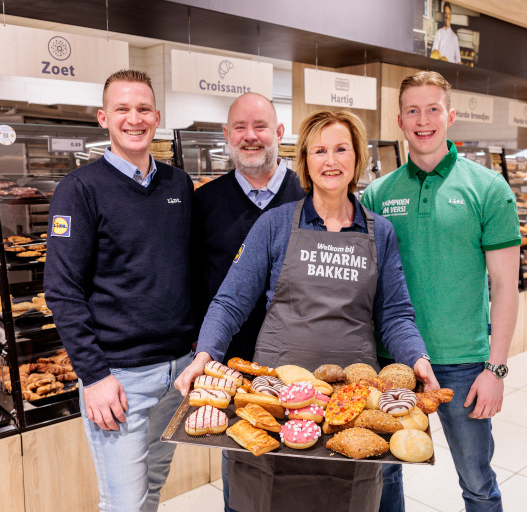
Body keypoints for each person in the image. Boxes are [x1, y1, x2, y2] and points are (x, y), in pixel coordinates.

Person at [176, 109, 438, 512]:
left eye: (340, 149)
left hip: (349, 406)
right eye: (319, 150)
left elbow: (395, 314)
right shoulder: (275, 224)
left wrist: (417, 359)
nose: (330, 161)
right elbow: (230, 301)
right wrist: (204, 356)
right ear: (305, 160)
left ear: (356, 159)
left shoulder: (380, 232)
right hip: (273, 398)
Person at [361, 70, 520, 512]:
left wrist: (497, 370)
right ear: (399, 120)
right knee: (384, 473)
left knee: (477, 481)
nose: (423, 119)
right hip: (392, 361)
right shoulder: (377, 194)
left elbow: (506, 285)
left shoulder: (488, 189)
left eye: (433, 109)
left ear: (450, 116)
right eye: (413, 110)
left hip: (463, 365)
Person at [45, 69, 195, 512]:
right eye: (123, 110)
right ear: (103, 118)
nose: (135, 119)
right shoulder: (79, 190)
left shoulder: (178, 185)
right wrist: (94, 375)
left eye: (144, 109)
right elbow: (61, 289)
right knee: (124, 504)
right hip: (120, 380)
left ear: (157, 116)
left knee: (151, 489)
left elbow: (185, 271)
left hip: (178, 373)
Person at [192, 92, 305, 512]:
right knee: (243, 472)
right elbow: (194, 280)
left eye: (260, 127)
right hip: (234, 363)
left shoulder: (309, 195)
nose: (250, 136)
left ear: (279, 133)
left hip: (298, 359)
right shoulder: (203, 202)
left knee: (302, 467)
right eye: (240, 128)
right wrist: (200, 343)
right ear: (226, 135)